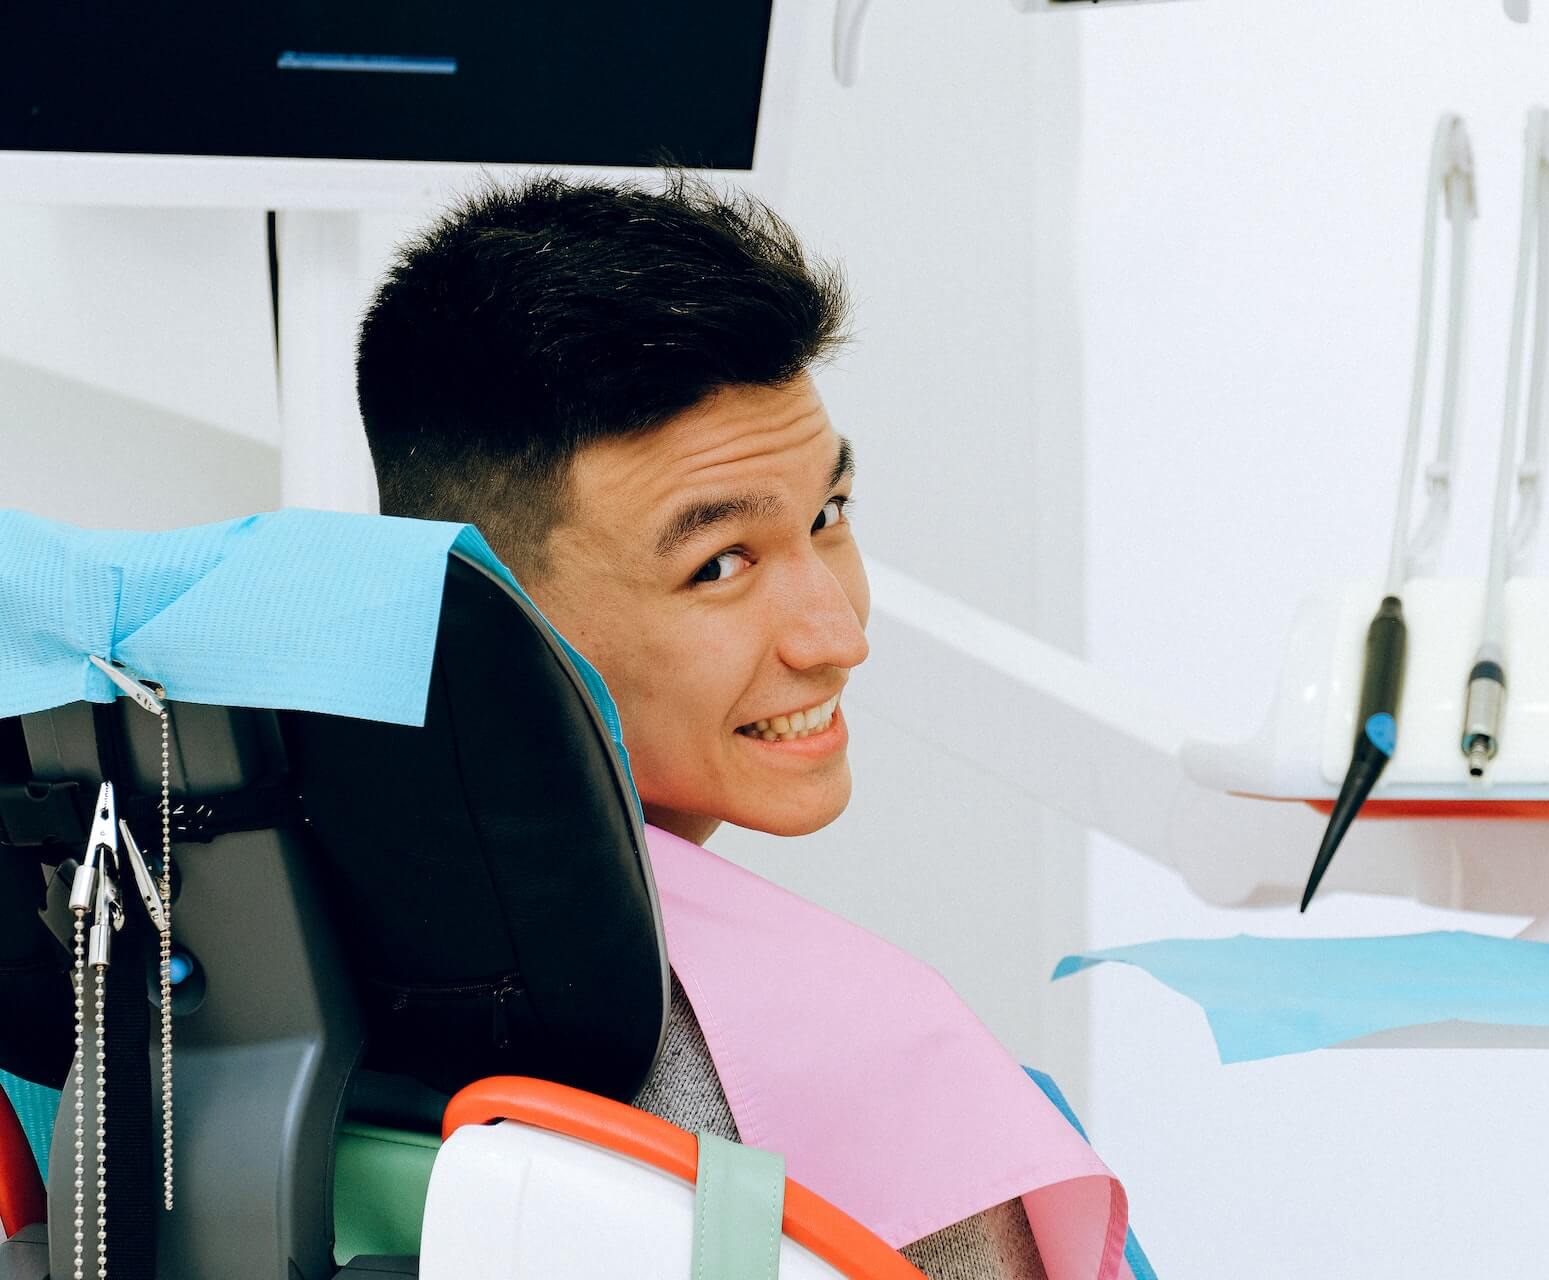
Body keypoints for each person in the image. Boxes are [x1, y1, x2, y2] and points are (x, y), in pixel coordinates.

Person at [355, 175, 1089, 1279]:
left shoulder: (212, 951)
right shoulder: (867, 1064)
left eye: (828, 515)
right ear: (496, 624)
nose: (837, 635)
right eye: (721, 563)